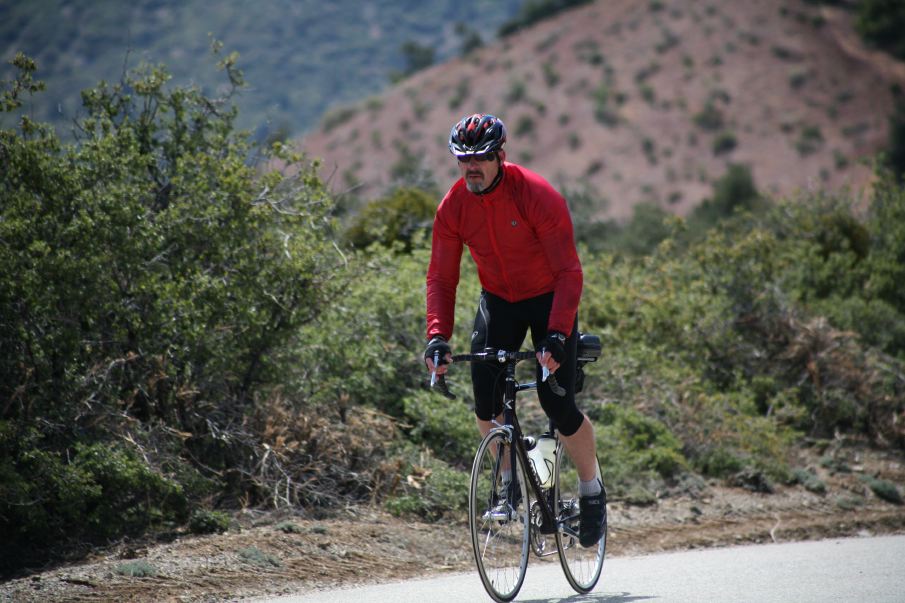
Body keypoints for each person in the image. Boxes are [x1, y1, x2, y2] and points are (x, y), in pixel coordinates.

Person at [423, 113, 605, 547]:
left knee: (557, 404)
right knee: (486, 404)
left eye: (481, 158)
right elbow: (442, 279)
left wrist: (559, 334)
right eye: (463, 158)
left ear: (500, 157)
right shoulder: (453, 207)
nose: (472, 166)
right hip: (499, 302)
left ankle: (591, 490)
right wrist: (437, 337)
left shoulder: (536, 195)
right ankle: (509, 483)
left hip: (548, 299)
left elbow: (568, 270)